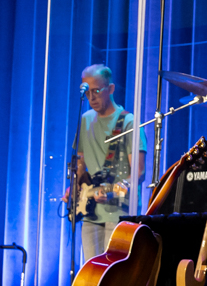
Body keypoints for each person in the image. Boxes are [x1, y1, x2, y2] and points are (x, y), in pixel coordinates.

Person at [63, 65, 147, 261]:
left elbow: (139, 173)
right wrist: (74, 188)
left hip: (119, 213)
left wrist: (113, 191)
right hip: (90, 210)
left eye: (97, 91)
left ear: (110, 89)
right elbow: (81, 161)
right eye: (87, 91)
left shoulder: (128, 122)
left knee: (114, 272)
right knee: (91, 271)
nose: (91, 98)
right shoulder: (85, 120)